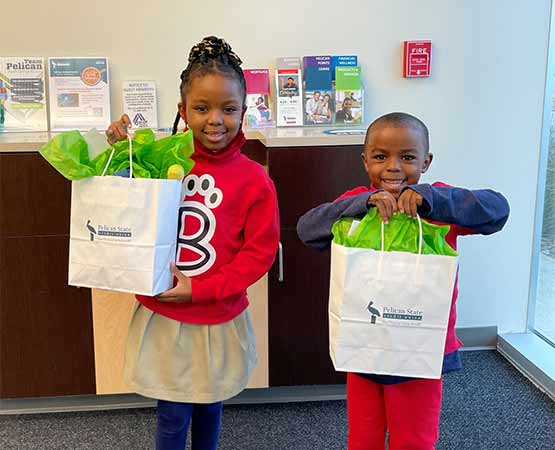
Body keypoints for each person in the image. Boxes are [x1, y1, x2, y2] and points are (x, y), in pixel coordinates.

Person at [296, 112, 509, 450]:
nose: (393, 167)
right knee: (362, 440)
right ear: (365, 162)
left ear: (426, 161)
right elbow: (307, 230)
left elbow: (497, 210)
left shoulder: (438, 204)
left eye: (407, 157)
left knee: (414, 441)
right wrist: (359, 205)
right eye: (381, 157)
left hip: (419, 355)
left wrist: (434, 202)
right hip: (364, 350)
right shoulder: (357, 203)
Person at [106, 36, 280, 450]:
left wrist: (202, 288)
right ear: (183, 111)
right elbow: (125, 206)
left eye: (228, 108)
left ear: (243, 110)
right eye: (202, 108)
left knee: (209, 406)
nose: (215, 120)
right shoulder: (159, 159)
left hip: (217, 316)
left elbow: (259, 253)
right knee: (172, 415)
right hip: (168, 315)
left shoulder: (255, 179)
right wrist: (121, 151)